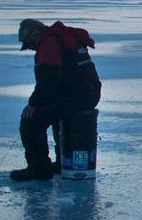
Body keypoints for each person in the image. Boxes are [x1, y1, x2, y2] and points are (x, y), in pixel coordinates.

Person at [11, 18, 101, 181]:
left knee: (31, 121)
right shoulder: (65, 37)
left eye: (29, 44)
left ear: (35, 34)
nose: (31, 48)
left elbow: (49, 80)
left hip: (77, 96)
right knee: (55, 114)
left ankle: (38, 168)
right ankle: (62, 161)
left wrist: (34, 104)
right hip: (88, 93)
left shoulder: (49, 44)